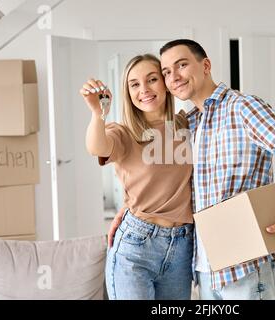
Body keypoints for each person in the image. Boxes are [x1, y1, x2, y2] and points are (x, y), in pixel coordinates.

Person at [158, 39, 275, 300]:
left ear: (205, 66)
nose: (174, 76)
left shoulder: (241, 108)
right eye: (166, 72)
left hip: (247, 268)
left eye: (182, 65)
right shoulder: (190, 123)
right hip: (205, 270)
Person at [81, 54, 194, 300]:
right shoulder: (123, 133)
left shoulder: (187, 124)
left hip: (183, 246)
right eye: (134, 84)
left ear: (165, 83)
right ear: (128, 92)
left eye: (152, 79)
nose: (144, 89)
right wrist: (97, 114)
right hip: (137, 245)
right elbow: (97, 147)